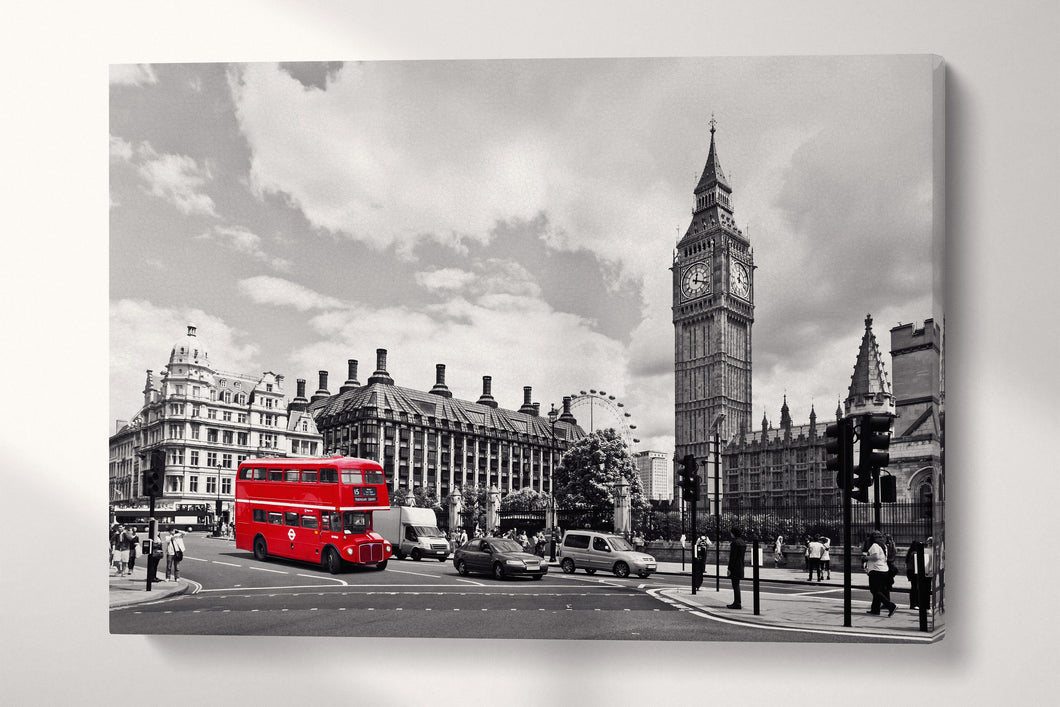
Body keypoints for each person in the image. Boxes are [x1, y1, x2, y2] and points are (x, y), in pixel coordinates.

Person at [863, 530, 897, 617]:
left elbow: (875, 557)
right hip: (884, 570)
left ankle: (890, 606)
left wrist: (865, 557)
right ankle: (875, 609)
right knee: (878, 590)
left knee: (874, 590)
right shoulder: (883, 545)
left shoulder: (875, 545)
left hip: (876, 570)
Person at [726, 526, 747, 609]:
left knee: (735, 585)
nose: (731, 534)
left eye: (731, 532)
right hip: (741, 565)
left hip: (734, 567)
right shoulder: (743, 542)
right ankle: (737, 602)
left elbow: (732, 557)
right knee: (737, 584)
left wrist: (729, 568)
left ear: (733, 533)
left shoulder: (734, 543)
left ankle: (737, 603)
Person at [905, 539, 924, 609]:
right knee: (915, 588)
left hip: (910, 571)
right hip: (914, 571)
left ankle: (913, 604)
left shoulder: (911, 552)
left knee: (914, 587)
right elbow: (917, 565)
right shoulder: (915, 553)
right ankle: (914, 604)